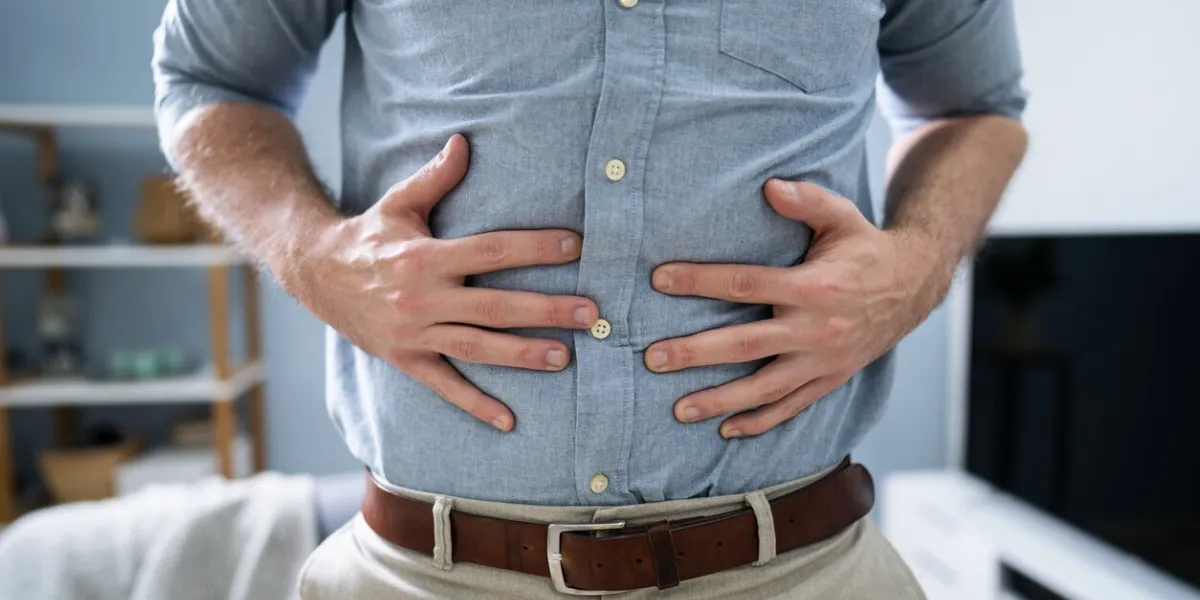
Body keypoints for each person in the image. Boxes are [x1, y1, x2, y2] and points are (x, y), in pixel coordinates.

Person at [152, 0, 1027, 597]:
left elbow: (976, 107)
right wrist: (315, 256)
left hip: (807, 572)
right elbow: (210, 78)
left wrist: (914, 269)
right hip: (418, 577)